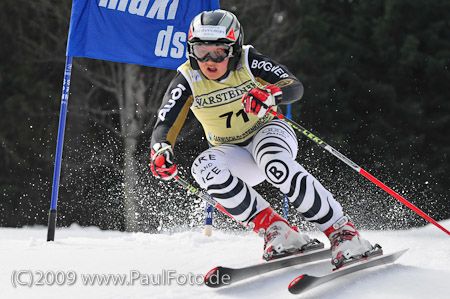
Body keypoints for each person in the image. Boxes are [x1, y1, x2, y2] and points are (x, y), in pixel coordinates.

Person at [150, 9, 374, 266]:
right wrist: (161, 150)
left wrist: (270, 94)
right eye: (201, 51)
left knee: (274, 164)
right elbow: (165, 122)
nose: (209, 60)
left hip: (269, 132)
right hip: (233, 152)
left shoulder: (248, 60)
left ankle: (343, 232)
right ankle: (278, 231)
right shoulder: (188, 77)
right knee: (204, 167)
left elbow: (293, 85)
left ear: (233, 49)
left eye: (219, 52)